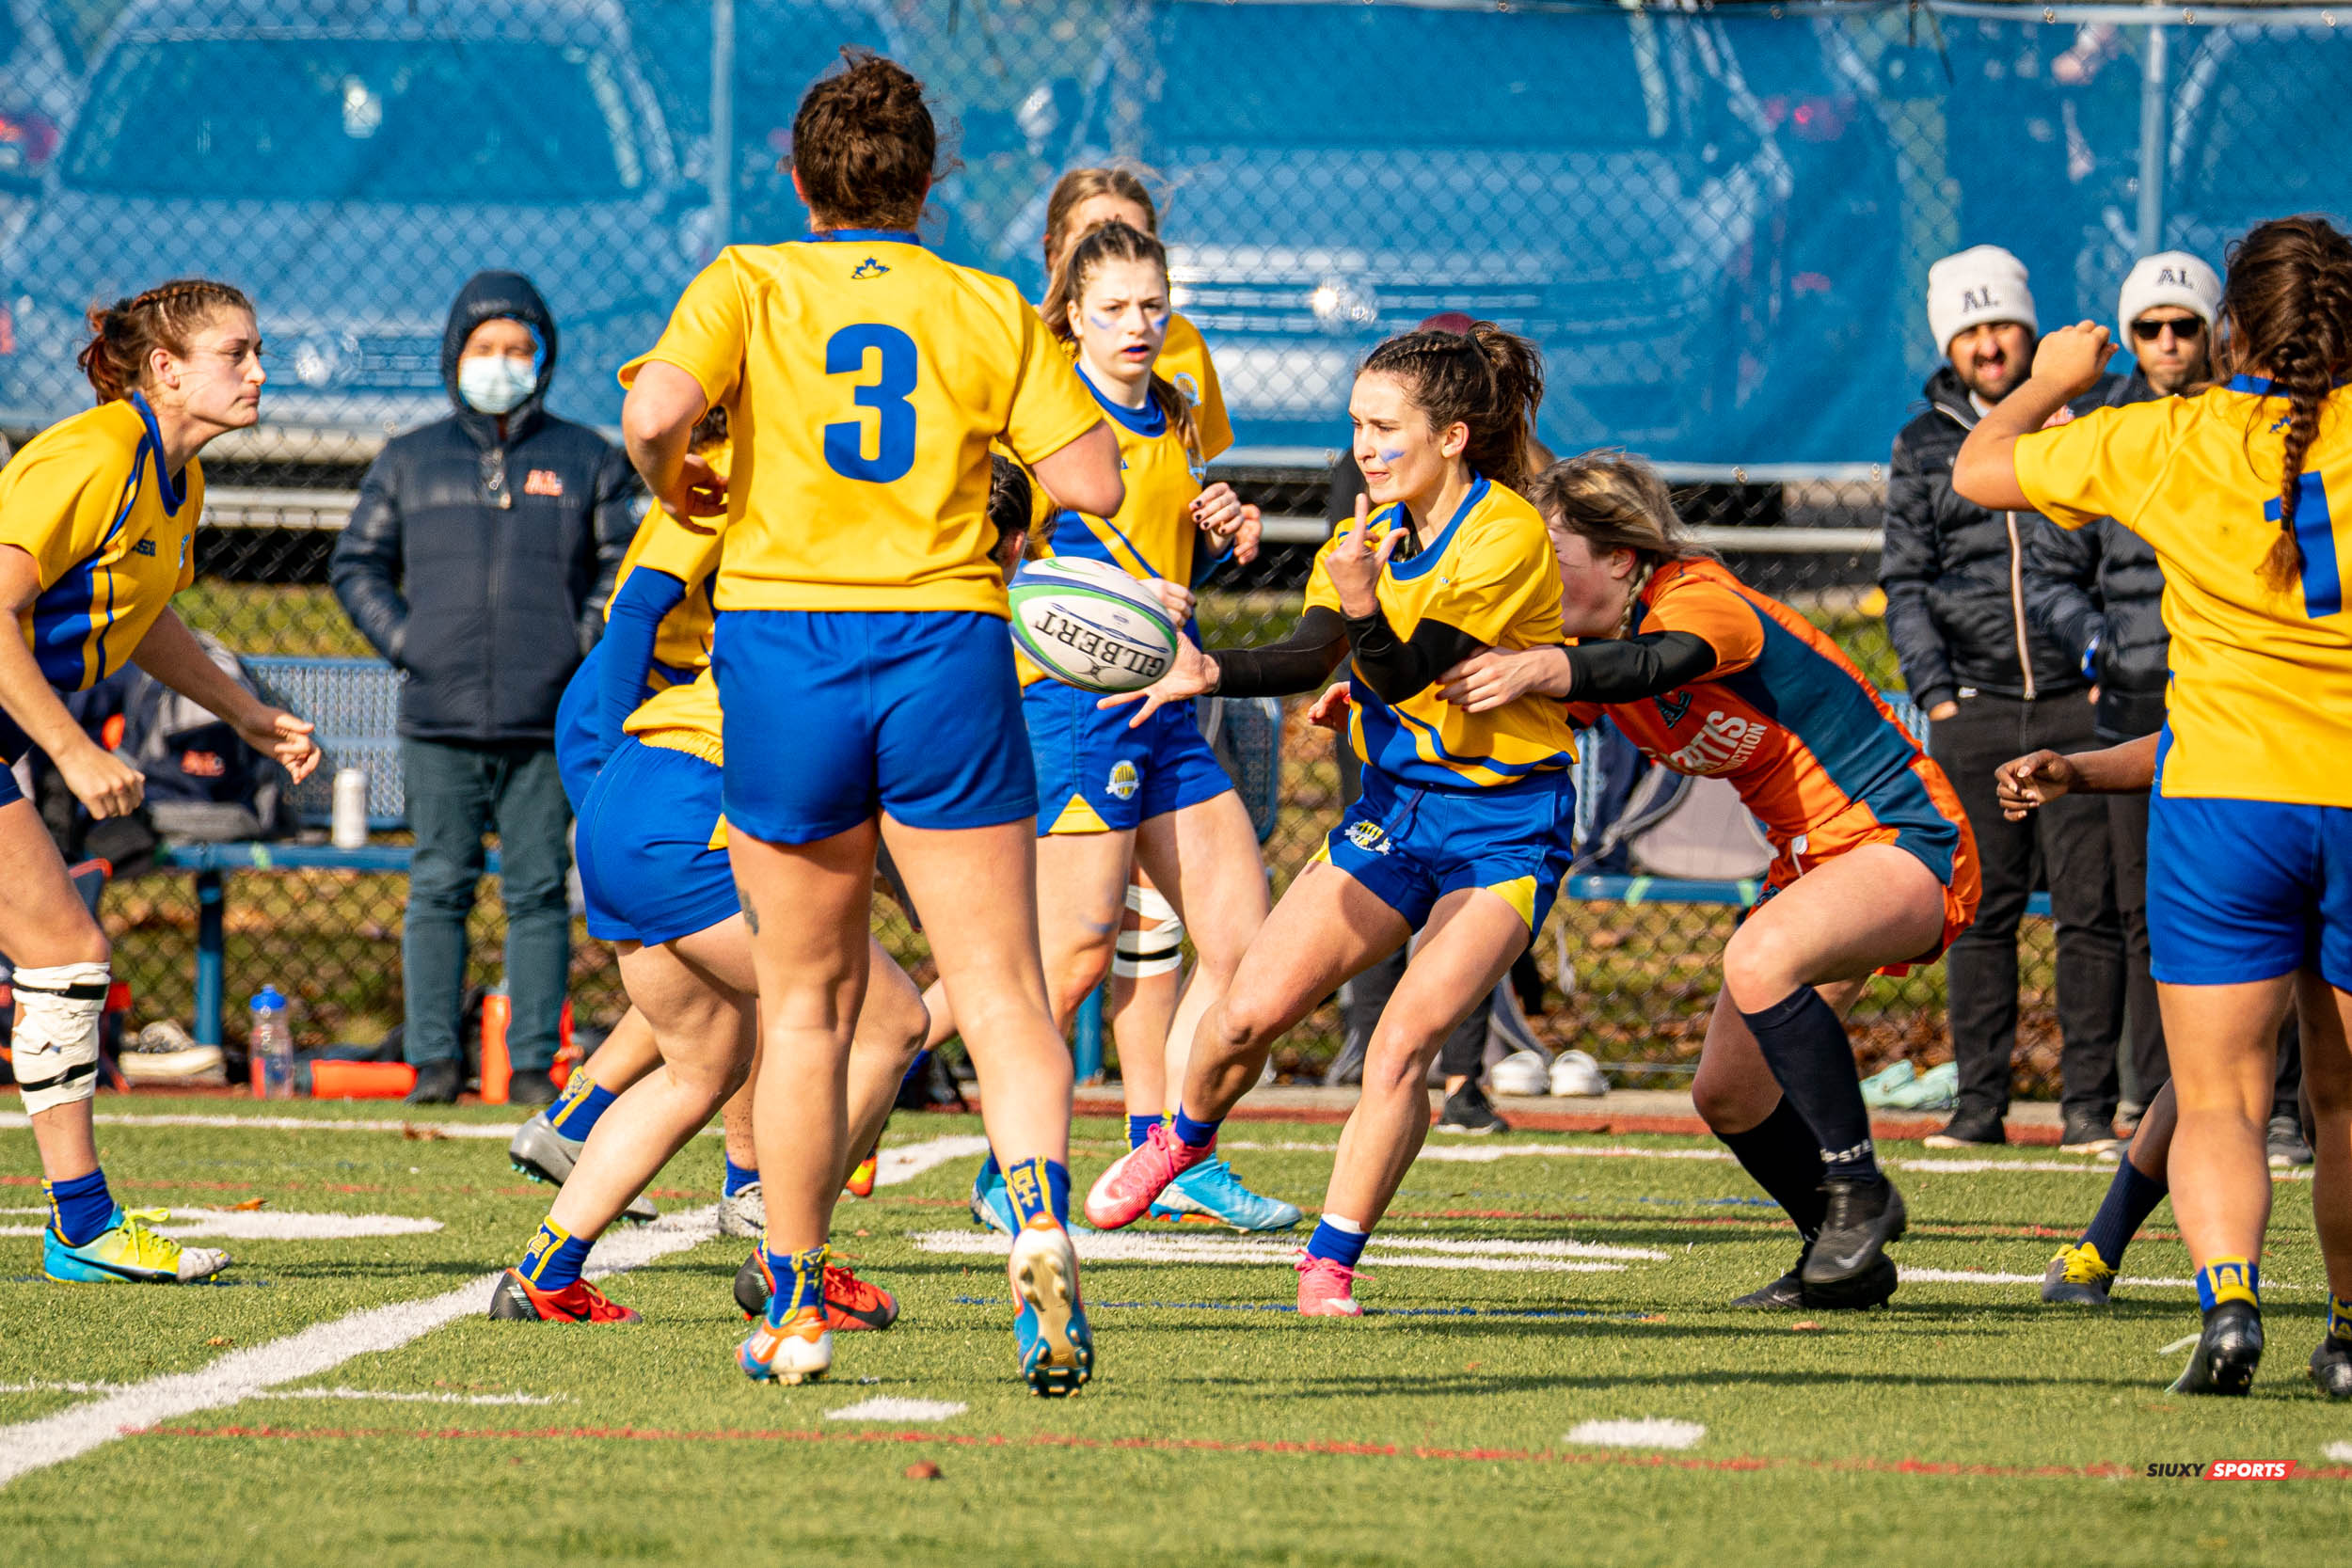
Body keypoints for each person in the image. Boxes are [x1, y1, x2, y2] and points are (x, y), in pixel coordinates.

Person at [619, 52, 1123, 1394]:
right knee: (1007, 987)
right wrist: (996, 475)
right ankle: (1041, 1218)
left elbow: (655, 410)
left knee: (804, 1005)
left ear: (797, 178)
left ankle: (789, 1299)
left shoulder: (749, 278)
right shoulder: (988, 304)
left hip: (783, 649)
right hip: (946, 642)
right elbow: (1093, 477)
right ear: (928, 182)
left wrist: (691, 478)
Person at [1393, 452, 1979, 1307]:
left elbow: (1658, 664)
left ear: (1623, 558)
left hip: (1905, 835)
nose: (1538, 584)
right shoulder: (1590, 645)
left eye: (1553, 559)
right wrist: (1378, 698)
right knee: (1729, 1094)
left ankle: (1860, 1191)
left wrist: (1548, 666)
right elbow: (1506, 702)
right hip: (1811, 859)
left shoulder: (1697, 597)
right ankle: (1843, 1259)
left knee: (1757, 956)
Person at [1084, 323, 1570, 1318]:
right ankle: (1182, 1138)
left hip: (1504, 828)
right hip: (1396, 808)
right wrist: (1210, 667)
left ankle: (1328, 1261)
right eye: (1355, 424)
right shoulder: (1369, 523)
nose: (1364, 446)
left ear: (1454, 437)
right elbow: (1317, 649)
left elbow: (1402, 665)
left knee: (1402, 1042)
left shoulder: (1506, 533)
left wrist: (1361, 607)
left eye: (1385, 427)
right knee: (1246, 1010)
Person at [1951, 214, 2352, 1397]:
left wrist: (2046, 381)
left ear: (2232, 328)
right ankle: (2347, 1330)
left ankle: (2230, 1306)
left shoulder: (2169, 437)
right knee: (2339, 1098)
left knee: (2219, 1096)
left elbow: (1980, 469)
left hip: (2225, 802)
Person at [486, 440, 928, 1334]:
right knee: (891, 1019)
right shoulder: (893, 607)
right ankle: (788, 1255)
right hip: (685, 803)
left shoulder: (800, 549)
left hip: (633, 791)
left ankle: (545, 1272)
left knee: (702, 1062)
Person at [949, 221, 1295, 1236]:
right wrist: (1115, 592)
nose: (1138, 325)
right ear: (1073, 315)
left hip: (1172, 707)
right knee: (1072, 957)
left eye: (1152, 304)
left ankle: (1171, 1151)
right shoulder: (1047, 422)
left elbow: (1169, 538)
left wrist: (1220, 528)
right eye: (1114, 309)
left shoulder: (1177, 414)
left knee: (1246, 949)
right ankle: (988, 1147)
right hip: (1075, 703)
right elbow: (1002, 558)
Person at [0, 278, 321, 1284]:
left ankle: (81, 1226)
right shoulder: (93, 455)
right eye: (238, 353)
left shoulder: (177, 479)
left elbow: (141, 617)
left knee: (62, 947)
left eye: (259, 350)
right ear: (166, 368)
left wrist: (248, 714)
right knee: (64, 945)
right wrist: (71, 748)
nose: (260, 372)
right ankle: (83, 1227)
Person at [331, 272, 637, 1107]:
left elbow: (622, 569)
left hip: (548, 723)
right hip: (439, 718)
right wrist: (407, 642)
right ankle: (434, 1062)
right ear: (453, 356)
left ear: (543, 357)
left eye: (518, 349)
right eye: (484, 348)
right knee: (440, 884)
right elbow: (356, 564)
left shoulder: (588, 458)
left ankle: (534, 1065)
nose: (501, 363)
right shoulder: (409, 458)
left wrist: (578, 652)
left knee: (540, 889)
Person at [1879, 245, 2125, 1153]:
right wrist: (1937, 697)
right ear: (1951, 339)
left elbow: (2115, 556)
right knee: (1978, 914)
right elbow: (1906, 581)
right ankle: (1979, 1106)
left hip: (2076, 705)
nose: (1989, 344)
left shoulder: (2091, 420)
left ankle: (2089, 1109)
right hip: (1973, 708)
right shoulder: (1923, 442)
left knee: (2089, 914)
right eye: (1971, 328)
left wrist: (2105, 664)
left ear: (2031, 329)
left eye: (2004, 324)